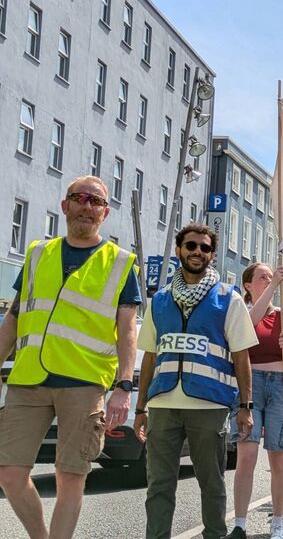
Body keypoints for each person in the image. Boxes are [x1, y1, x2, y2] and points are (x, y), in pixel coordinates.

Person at [0, 176, 140, 539]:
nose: (87, 206)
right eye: (80, 198)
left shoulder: (121, 262)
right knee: (10, 474)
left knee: (71, 476)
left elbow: (127, 331)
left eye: (96, 202)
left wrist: (123, 386)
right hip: (28, 380)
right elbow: (14, 318)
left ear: (105, 213)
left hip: (84, 381)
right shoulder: (37, 254)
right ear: (65, 205)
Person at [133, 223, 257, 539]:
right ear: (179, 250)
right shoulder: (160, 300)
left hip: (209, 404)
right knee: (159, 484)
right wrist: (140, 407)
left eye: (204, 247)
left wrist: (245, 405)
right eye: (191, 246)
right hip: (163, 405)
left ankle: (214, 535)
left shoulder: (228, 299)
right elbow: (150, 356)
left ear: (212, 255)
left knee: (211, 481)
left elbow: (242, 358)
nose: (197, 252)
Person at [226, 262, 283, 539]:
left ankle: (277, 522)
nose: (270, 279)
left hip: (282, 385)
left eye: (271, 277)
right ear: (248, 285)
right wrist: (273, 286)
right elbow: (246, 329)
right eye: (262, 277)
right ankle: (239, 523)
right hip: (250, 386)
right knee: (246, 456)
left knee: (278, 457)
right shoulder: (240, 311)